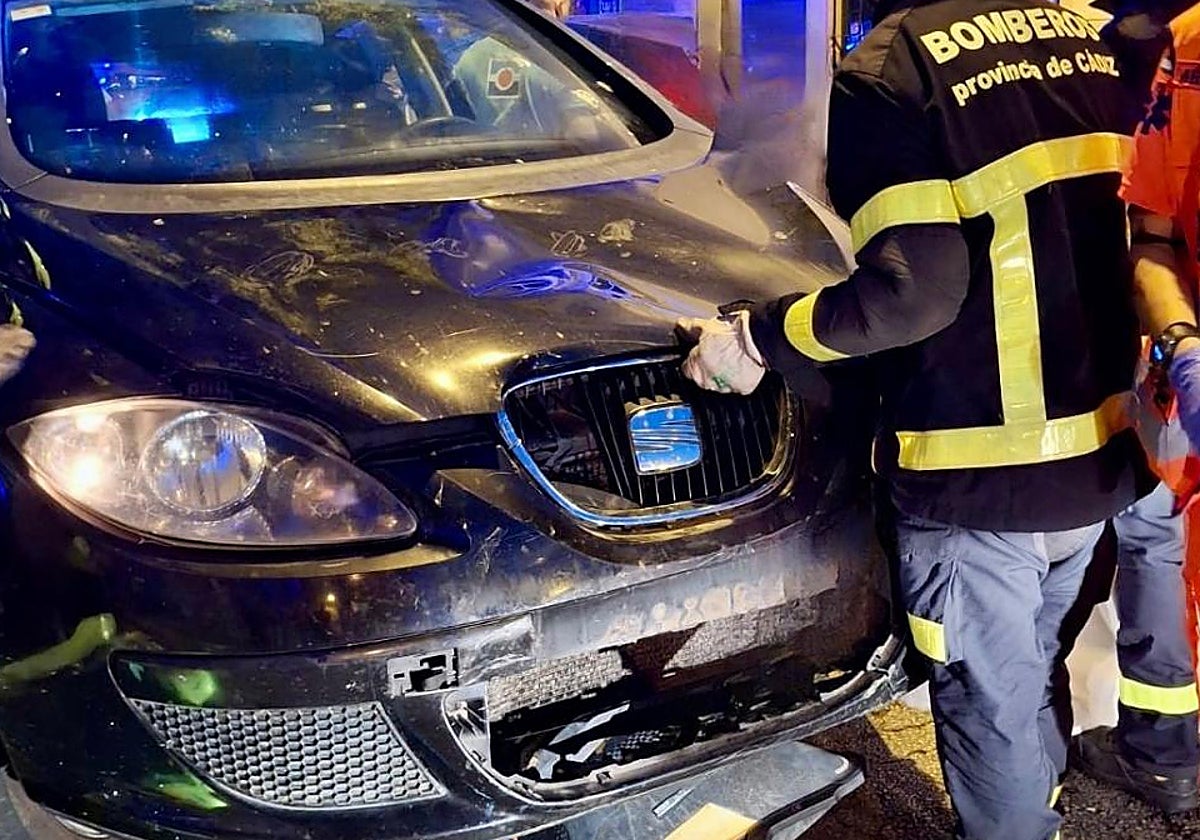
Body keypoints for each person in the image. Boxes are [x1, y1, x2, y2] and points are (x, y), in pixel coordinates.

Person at [679, 0, 1154, 837]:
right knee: (1033, 672)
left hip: (978, 477)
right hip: (1100, 457)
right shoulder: (1088, 35)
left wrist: (758, 336)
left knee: (991, 707)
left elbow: (913, 292)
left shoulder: (896, 69)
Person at [1065, 0, 1200, 817]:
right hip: (1174, 363)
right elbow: (1150, 229)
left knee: (1153, 538)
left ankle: (1166, 752)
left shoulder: (1149, 39)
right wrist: (1180, 345)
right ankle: (1163, 749)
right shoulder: (1181, 46)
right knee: (1157, 535)